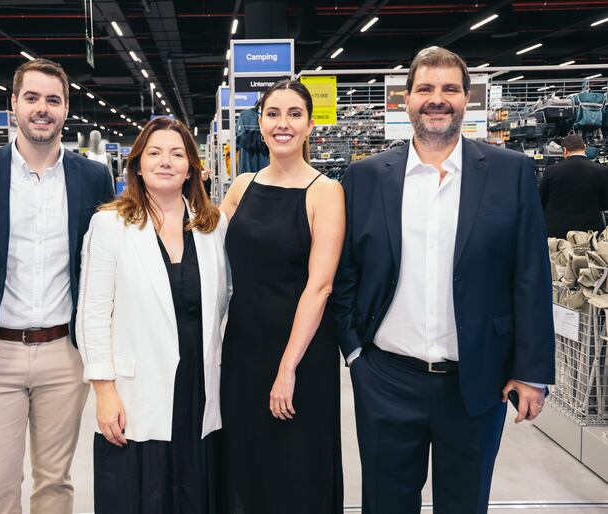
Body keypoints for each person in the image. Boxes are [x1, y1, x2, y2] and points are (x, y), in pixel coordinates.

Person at [332, 46, 555, 514]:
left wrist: (531, 371)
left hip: (477, 381)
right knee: (386, 503)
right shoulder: (366, 177)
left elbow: (531, 275)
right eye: (426, 89)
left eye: (450, 89)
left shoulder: (510, 172)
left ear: (467, 97)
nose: (438, 99)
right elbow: (346, 269)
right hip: (387, 377)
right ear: (406, 99)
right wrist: (354, 351)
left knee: (464, 503)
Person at [0, 58, 113, 514]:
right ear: (14, 104)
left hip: (63, 356)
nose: (42, 109)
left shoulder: (92, 177)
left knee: (55, 484)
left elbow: (106, 264)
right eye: (32, 98)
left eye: (53, 100)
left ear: (66, 109)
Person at [77, 116, 229, 513]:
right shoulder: (110, 224)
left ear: (192, 166)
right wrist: (104, 391)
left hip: (198, 380)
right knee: (143, 492)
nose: (166, 161)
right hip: (136, 387)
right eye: (155, 153)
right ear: (138, 164)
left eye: (177, 153)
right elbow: (92, 313)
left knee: (194, 488)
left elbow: (226, 300)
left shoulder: (213, 225)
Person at [218, 79, 345, 513]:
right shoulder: (241, 186)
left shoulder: (325, 192)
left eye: (294, 114)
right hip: (243, 346)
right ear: (260, 122)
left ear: (310, 124)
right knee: (247, 456)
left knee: (296, 464)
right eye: (273, 113)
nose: (283, 123)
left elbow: (321, 285)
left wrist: (287, 368)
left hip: (301, 351)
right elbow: (201, 247)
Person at [540, 133, 608, 238]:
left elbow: (542, 200)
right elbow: (605, 203)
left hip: (558, 232)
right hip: (589, 232)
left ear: (565, 150)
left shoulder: (551, 171)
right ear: (585, 147)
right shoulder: (601, 170)